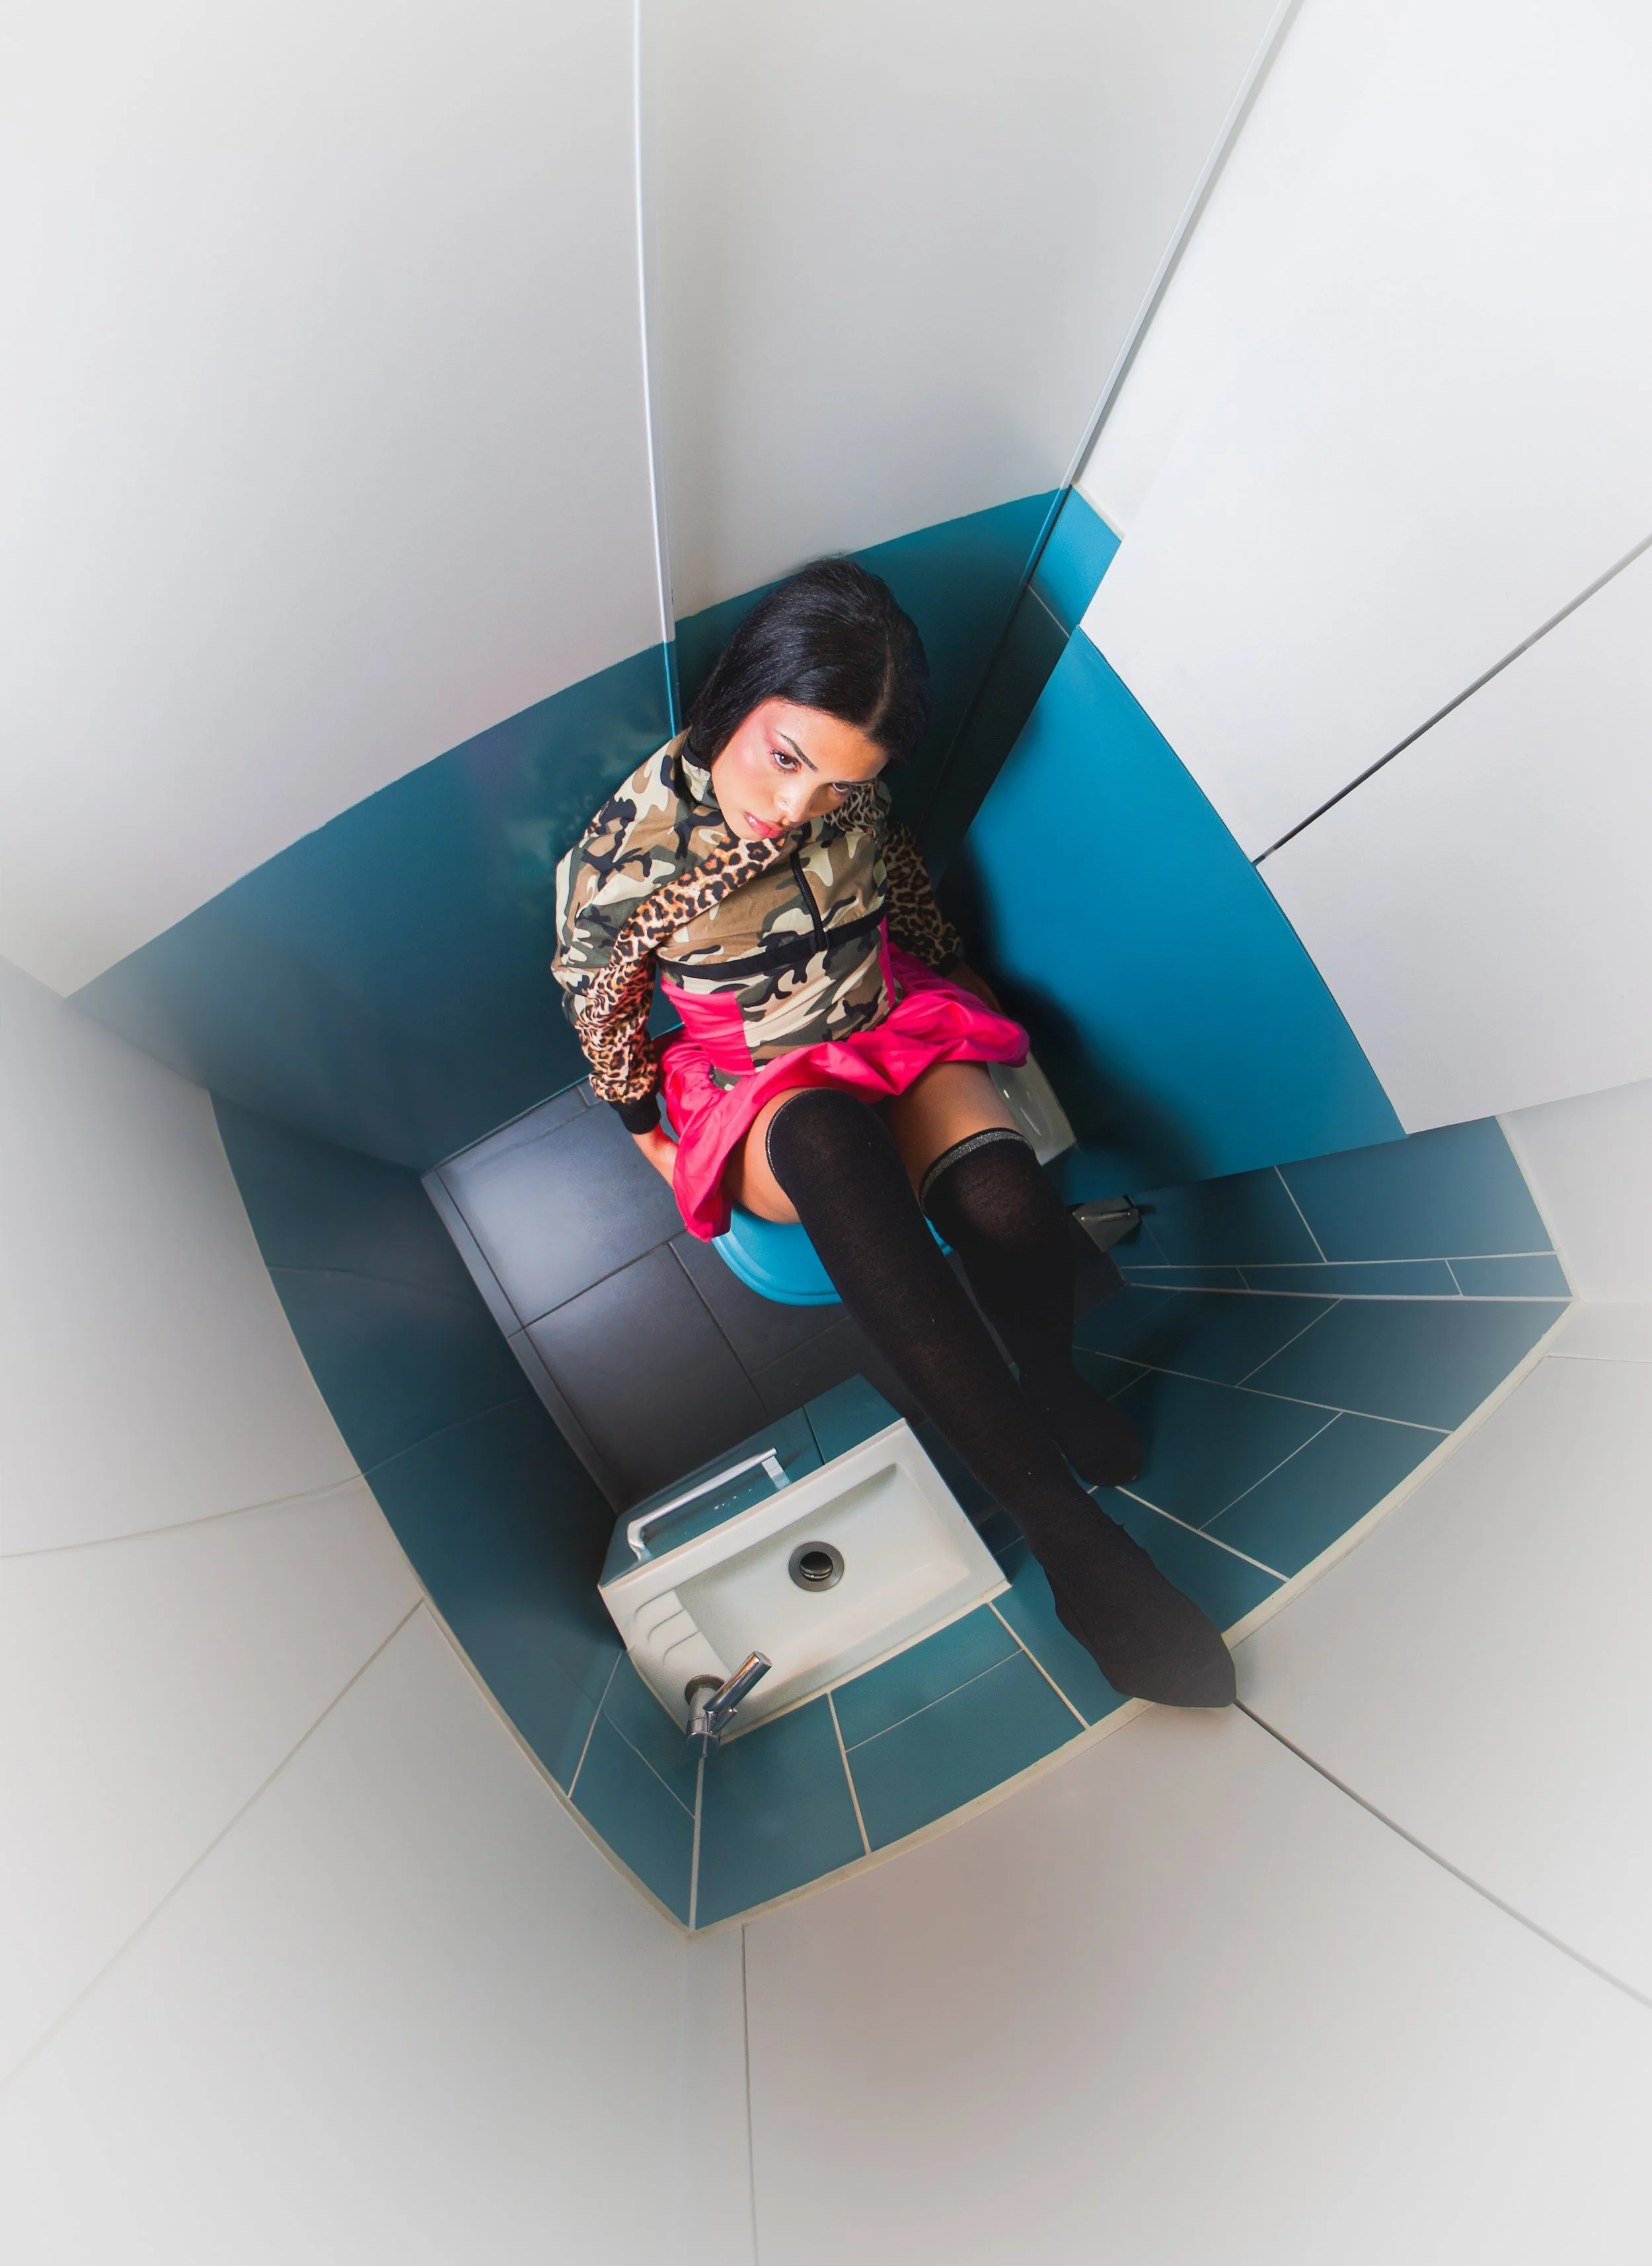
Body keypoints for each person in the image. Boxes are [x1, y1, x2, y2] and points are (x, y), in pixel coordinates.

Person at [552, 560, 1234, 1708]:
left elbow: (899, 880)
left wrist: (959, 971)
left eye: (838, 783)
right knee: (830, 1145)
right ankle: (1071, 1541)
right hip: (762, 1079)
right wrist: (639, 1128)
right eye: (785, 757)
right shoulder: (623, 863)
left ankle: (1054, 1382)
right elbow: (599, 1007)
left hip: (880, 1014)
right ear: (740, 698)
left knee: (1010, 1201)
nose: (797, 805)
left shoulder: (854, 794)